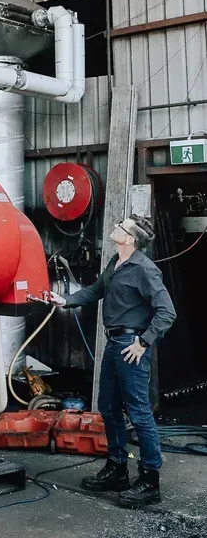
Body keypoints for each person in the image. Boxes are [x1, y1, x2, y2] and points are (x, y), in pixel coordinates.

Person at [50, 215, 176, 507]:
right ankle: (118, 468)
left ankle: (149, 480)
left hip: (130, 345)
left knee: (139, 412)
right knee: (108, 407)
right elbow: (96, 291)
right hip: (113, 344)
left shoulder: (144, 269)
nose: (116, 227)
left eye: (122, 226)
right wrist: (64, 301)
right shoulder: (115, 263)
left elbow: (166, 312)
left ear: (130, 239)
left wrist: (144, 342)